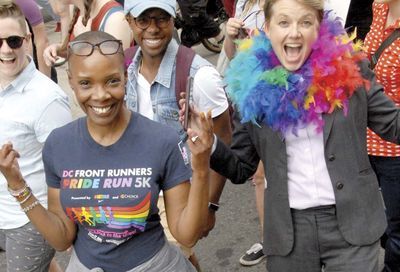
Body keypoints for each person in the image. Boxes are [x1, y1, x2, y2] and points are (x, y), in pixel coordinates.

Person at [182, 0, 400, 271]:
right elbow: (241, 167)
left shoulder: (350, 68)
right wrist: (209, 145)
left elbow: (393, 125)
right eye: (284, 22)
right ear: (268, 27)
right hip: (289, 233)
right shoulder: (252, 84)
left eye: (305, 22)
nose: (294, 33)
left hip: (353, 222)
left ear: (319, 26)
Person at [0, 30, 213, 272]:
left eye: (112, 81)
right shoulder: (59, 145)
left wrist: (201, 166)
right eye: (85, 83)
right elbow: (61, 238)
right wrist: (18, 186)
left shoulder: (162, 140)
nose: (100, 95)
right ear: (70, 82)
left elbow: (187, 235)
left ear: (125, 76)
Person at [123, 0, 232, 269]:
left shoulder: (200, 76)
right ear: (129, 21)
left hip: (178, 197)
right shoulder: (122, 69)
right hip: (134, 198)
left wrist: (210, 204)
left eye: (161, 18)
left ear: (174, 20)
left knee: (170, 260)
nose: (153, 28)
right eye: (143, 20)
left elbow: (223, 142)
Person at [0, 1, 72, 271]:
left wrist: (68, 227)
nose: (6, 50)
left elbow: (67, 169)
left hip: (29, 221)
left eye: (14, 41)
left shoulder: (47, 99)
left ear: (28, 40)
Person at [218, 0, 267, 266]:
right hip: (248, 98)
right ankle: (269, 238)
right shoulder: (243, 3)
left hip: (277, 97)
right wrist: (230, 35)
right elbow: (231, 55)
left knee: (266, 174)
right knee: (259, 177)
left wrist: (263, 42)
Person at [364, 1, 400, 270]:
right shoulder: (380, 6)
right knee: (376, 222)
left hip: (395, 150)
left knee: (398, 232)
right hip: (365, 140)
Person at [43, 0, 132, 67]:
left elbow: (114, 72)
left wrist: (85, 44)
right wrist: (59, 50)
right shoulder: (75, 8)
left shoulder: (115, 20)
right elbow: (76, 54)